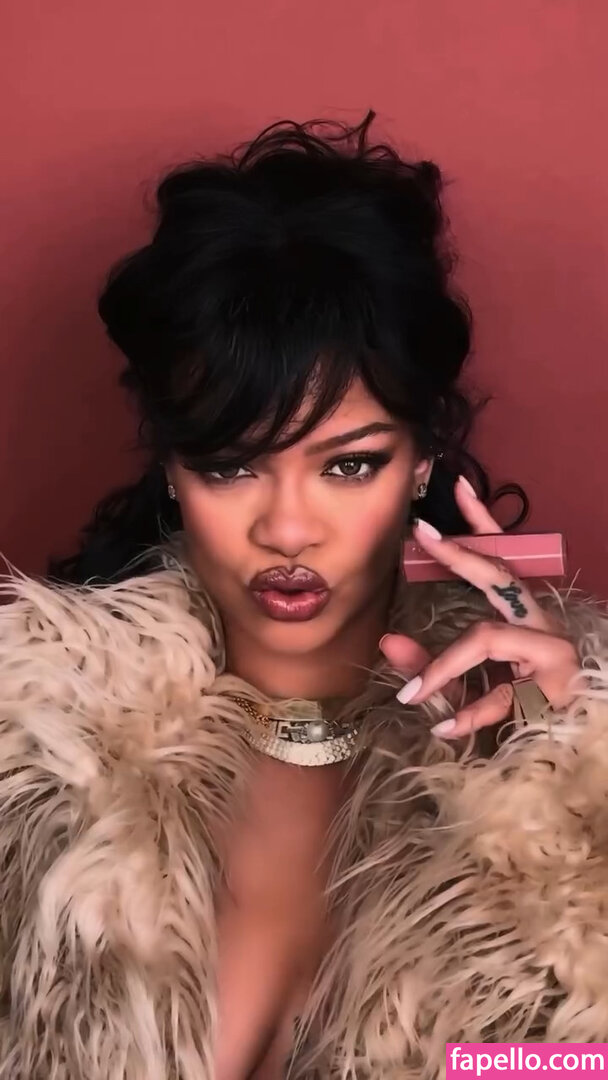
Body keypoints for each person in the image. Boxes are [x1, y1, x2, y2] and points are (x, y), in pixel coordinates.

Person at [1, 113, 607, 1080]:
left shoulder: (565, 747)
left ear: (421, 463)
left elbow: (568, 1062)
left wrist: (561, 798)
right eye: (233, 465)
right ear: (172, 471)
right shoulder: (30, 764)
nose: (288, 530)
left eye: (348, 464)